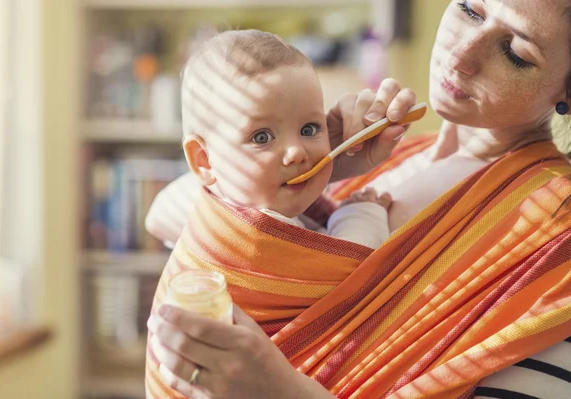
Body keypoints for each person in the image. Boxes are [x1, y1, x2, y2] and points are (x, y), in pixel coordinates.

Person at [146, 1, 571, 398]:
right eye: (469, 9)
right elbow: (163, 213)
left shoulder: (555, 227)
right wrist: (327, 168)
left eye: (515, 51)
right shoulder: (392, 155)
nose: (461, 55)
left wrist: (278, 389)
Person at [151, 29, 392, 250]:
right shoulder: (253, 234)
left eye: (308, 129)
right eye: (262, 137)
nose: (297, 152)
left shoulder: (249, 204)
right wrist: (362, 215)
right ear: (204, 160)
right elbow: (342, 267)